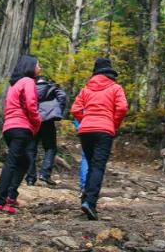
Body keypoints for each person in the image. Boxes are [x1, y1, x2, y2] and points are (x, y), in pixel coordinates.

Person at [70, 57, 128, 220]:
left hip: (85, 130)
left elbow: (75, 109)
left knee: (91, 164)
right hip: (104, 130)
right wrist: (114, 122)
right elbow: (122, 107)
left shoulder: (86, 89)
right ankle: (90, 202)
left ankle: (85, 199)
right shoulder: (116, 88)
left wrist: (85, 120)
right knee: (97, 167)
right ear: (110, 72)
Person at [0, 54, 42, 214]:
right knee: (13, 163)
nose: (39, 68)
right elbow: (31, 104)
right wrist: (37, 122)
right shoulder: (28, 81)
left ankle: (10, 196)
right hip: (21, 127)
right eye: (38, 65)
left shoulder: (14, 85)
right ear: (30, 67)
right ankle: (0, 202)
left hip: (9, 128)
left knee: (24, 161)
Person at [25, 73, 68, 186]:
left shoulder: (30, 88)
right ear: (46, 80)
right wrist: (58, 110)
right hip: (48, 120)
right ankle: (45, 174)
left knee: (31, 149)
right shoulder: (52, 87)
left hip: (33, 120)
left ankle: (30, 178)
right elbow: (62, 96)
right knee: (50, 148)